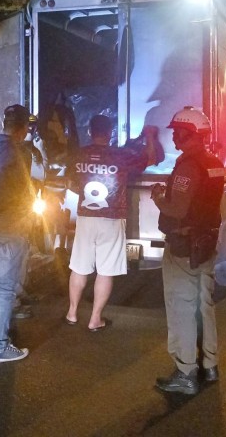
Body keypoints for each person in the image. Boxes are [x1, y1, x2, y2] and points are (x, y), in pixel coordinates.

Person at [150, 106, 224, 395]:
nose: (174, 137)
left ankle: (186, 373)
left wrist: (158, 197)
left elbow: (178, 209)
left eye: (177, 132)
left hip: (183, 248)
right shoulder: (213, 162)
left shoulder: (189, 166)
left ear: (187, 133)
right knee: (204, 305)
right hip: (205, 246)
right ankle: (209, 364)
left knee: (182, 307)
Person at [65, 114, 161, 331]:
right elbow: (151, 159)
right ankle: (95, 319)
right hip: (112, 218)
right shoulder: (120, 156)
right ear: (110, 133)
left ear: (90, 131)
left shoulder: (79, 155)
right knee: (105, 270)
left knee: (79, 267)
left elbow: (71, 182)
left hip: (85, 217)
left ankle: (72, 313)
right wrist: (150, 137)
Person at [0, 104, 35, 362]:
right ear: (23, 128)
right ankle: (0, 347)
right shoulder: (19, 152)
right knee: (4, 289)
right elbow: (16, 192)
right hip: (11, 226)